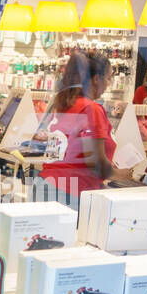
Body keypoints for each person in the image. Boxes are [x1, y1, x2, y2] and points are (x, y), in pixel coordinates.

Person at [39, 51, 119, 196]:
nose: (108, 84)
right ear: (96, 79)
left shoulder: (64, 104)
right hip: (71, 192)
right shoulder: (91, 109)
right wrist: (122, 175)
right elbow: (95, 162)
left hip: (48, 185)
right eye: (108, 78)